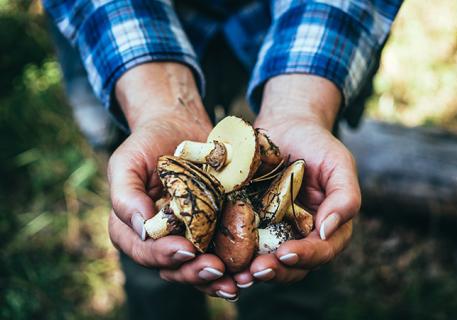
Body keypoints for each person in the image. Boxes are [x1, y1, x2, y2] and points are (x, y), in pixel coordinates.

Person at [44, 1, 402, 319]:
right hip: (128, 50)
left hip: (283, 37)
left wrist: (299, 104)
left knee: (290, 274)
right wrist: (158, 105)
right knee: (148, 238)